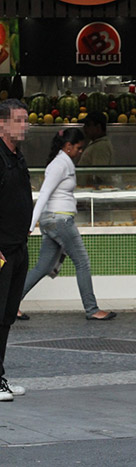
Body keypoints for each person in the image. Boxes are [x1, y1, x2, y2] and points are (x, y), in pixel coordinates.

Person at [20, 129, 115, 321]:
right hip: (60, 220)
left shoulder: (62, 162)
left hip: (52, 220)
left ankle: (9, 304)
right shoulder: (60, 164)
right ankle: (92, 309)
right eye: (79, 148)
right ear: (68, 146)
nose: (81, 152)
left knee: (43, 266)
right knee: (82, 262)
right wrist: (30, 225)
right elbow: (44, 194)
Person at [0, 99, 31, 401]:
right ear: (2, 124)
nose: (25, 126)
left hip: (18, 248)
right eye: (19, 120)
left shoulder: (17, 157)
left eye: (26, 120)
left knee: (7, 315)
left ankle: (0, 376)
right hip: (0, 251)